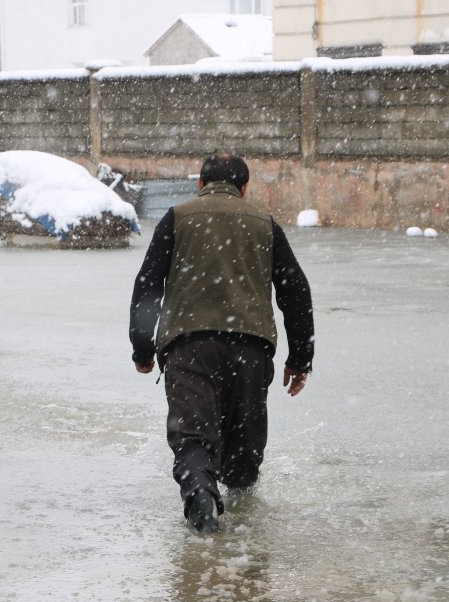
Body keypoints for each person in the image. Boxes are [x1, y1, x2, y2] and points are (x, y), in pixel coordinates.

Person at [129, 152, 314, 533]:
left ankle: (201, 506)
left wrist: (142, 348)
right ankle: (243, 526)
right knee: (244, 449)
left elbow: (148, 284)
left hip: (189, 346)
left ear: (200, 183)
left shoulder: (177, 217)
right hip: (251, 348)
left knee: (194, 436)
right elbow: (295, 291)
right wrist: (301, 358)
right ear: (244, 187)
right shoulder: (265, 224)